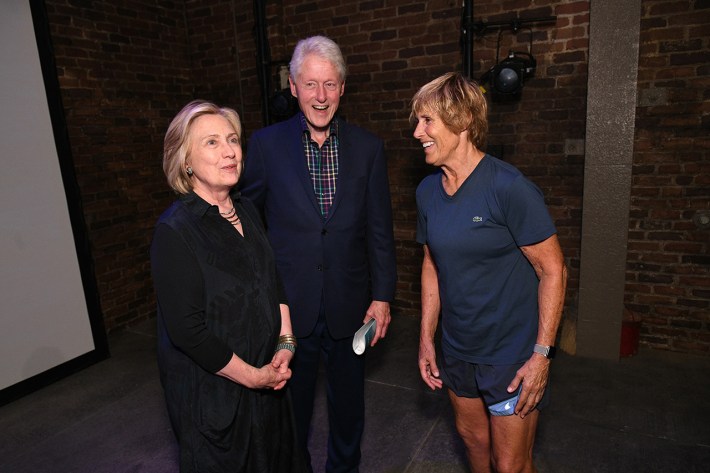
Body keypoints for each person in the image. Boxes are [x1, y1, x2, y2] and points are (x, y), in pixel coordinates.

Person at [239, 36, 397, 473]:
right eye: (311, 85)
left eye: (329, 84)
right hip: (290, 307)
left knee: (349, 411)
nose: (321, 96)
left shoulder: (369, 148)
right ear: (293, 86)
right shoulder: (266, 146)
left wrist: (383, 296)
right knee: (292, 412)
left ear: (343, 87)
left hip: (352, 306)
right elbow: (250, 226)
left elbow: (380, 230)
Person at [411, 73, 567, 473]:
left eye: (427, 121)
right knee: (474, 446)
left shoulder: (509, 188)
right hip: (459, 350)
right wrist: (427, 339)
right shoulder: (427, 192)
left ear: (462, 120)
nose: (417, 132)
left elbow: (553, 270)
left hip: (510, 357)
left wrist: (542, 355)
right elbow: (432, 265)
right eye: (417, 121)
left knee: (511, 464)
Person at [150, 100, 307, 473]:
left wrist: (286, 343)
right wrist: (253, 376)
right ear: (185, 161)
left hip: (268, 383)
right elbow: (188, 332)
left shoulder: (247, 209)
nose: (229, 151)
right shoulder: (174, 231)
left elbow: (271, 281)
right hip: (216, 399)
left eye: (233, 139)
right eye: (212, 142)